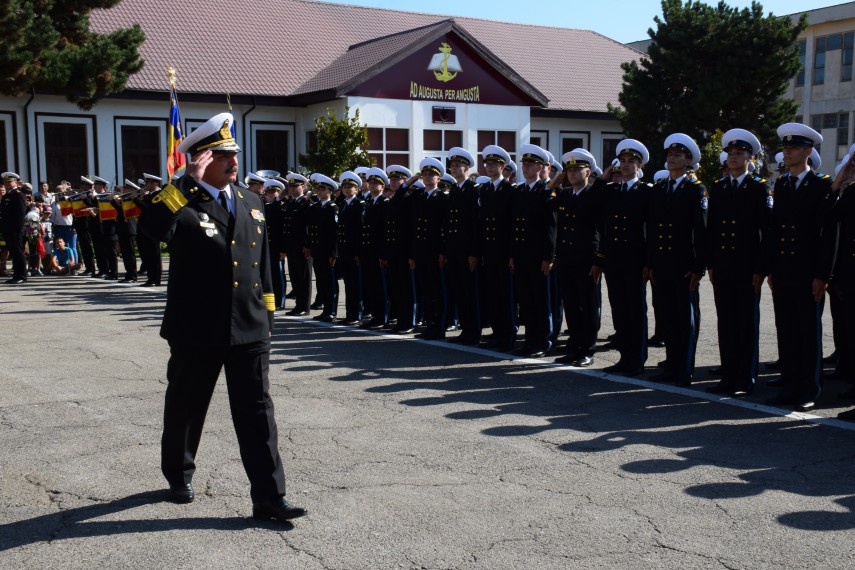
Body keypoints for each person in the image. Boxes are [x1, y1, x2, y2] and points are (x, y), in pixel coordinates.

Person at [137, 112, 305, 521]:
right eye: (223, 154)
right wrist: (183, 184)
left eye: (234, 153)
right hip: (197, 327)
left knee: (258, 411)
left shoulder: (252, 200)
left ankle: (269, 495)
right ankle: (178, 474)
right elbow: (152, 229)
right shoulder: (181, 200)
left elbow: (262, 265)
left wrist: (268, 314)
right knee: (187, 405)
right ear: (202, 159)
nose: (233, 161)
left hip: (249, 326)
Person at [763, 123, 836, 412]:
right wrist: (770, 267)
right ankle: (790, 385)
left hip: (808, 273)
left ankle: (809, 389)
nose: (787, 152)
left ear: (808, 152)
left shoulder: (820, 185)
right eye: (785, 147)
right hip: (783, 271)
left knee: (808, 333)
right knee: (787, 331)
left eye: (792, 148)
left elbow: (826, 235)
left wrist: (822, 274)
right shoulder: (782, 184)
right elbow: (774, 230)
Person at [705, 129, 771, 396]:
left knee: (746, 324)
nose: (733, 158)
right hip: (723, 267)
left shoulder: (758, 187)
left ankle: (746, 378)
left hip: (746, 268)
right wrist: (711, 263)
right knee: (726, 323)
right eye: (730, 154)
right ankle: (728, 375)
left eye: (739, 154)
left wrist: (760, 268)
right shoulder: (720, 187)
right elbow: (712, 229)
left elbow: (765, 232)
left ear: (749, 158)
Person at [646, 133, 707, 387]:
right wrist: (650, 263)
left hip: (683, 267)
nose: (672, 158)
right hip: (662, 265)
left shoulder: (696, 190)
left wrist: (698, 267)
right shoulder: (660, 188)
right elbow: (652, 229)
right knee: (668, 319)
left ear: (688, 161)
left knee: (685, 320)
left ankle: (684, 369)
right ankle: (671, 365)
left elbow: (701, 231)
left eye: (678, 155)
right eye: (670, 155)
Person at [594, 139, 651, 376]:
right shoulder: (610, 190)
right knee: (619, 310)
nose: (626, 166)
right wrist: (604, 176)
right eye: (623, 161)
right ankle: (625, 357)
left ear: (639, 166)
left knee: (635, 310)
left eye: (632, 162)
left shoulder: (647, 191)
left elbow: (650, 230)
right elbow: (592, 201)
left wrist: (649, 261)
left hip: (635, 261)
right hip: (614, 260)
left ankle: (637, 359)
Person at [552, 149, 603, 367]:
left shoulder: (594, 194)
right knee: (571, 305)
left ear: (588, 172)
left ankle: (587, 349)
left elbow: (602, 229)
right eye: (569, 170)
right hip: (566, 259)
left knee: (588, 306)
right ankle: (574, 346)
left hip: (586, 260)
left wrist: (598, 260)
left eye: (577, 169)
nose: (572, 174)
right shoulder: (563, 194)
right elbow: (542, 202)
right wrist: (556, 180)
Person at [509, 144, 557, 358]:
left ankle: (543, 341)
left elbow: (550, 226)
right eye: (524, 164)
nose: (526, 168)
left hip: (539, 257)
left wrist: (549, 256)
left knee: (540, 301)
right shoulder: (519, 190)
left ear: (540, 167)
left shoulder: (546, 190)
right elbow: (513, 224)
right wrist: (512, 254)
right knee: (526, 302)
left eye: (530, 164)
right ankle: (530, 340)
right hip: (521, 255)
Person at [478, 145, 516, 351]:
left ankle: (508, 335)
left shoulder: (509, 190)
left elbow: (511, 223)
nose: (490, 167)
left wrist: (511, 253)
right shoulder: (484, 189)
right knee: (493, 295)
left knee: (505, 296)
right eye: (487, 164)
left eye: (494, 164)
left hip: (503, 251)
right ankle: (497, 332)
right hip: (489, 251)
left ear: (503, 167)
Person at [444, 147, 482, 345]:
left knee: (470, 293)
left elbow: (476, 225)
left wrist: (475, 252)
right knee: (459, 291)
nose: (454, 168)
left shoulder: (473, 190)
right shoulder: (454, 191)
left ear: (467, 168)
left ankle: (474, 332)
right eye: (452, 166)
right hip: (455, 251)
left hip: (468, 252)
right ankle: (466, 330)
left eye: (458, 165)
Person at [409, 157, 449, 340]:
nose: (427, 177)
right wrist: (410, 181)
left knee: (437, 291)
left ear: (438, 178)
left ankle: (439, 326)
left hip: (435, 251)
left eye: (431, 174)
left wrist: (443, 251)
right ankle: (430, 325)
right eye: (424, 174)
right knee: (426, 290)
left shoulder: (442, 198)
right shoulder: (418, 196)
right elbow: (399, 200)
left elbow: (445, 227)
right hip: (421, 251)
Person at [304, 173, 339, 322]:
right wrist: (308, 246)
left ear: (330, 191)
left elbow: (335, 233)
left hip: (327, 251)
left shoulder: (333, 208)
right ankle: (325, 309)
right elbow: (310, 228)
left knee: (330, 281)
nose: (320, 191)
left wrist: (334, 253)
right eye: (318, 188)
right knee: (321, 280)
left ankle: (331, 310)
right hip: (317, 250)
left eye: (323, 189)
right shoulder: (316, 207)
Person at [337, 171, 365, 325]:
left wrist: (357, 252)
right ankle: (350, 313)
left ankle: (356, 315)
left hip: (353, 252)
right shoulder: (343, 205)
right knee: (348, 284)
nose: (347, 189)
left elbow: (359, 231)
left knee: (355, 284)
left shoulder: (359, 205)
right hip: (344, 251)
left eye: (351, 187)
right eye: (345, 187)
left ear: (357, 189)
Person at [283, 173, 312, 316]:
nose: (292, 189)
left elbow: (308, 226)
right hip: (291, 246)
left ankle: (304, 306)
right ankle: (298, 305)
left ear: (304, 187)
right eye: (290, 186)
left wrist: (307, 245)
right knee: (294, 277)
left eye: (295, 186)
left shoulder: (306, 203)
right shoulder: (290, 203)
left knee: (304, 277)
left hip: (302, 247)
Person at [0, 172, 28, 284]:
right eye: (6, 182)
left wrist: (18, 229)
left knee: (18, 252)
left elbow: (21, 214)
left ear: (15, 182)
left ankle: (22, 275)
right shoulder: (6, 196)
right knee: (13, 253)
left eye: (9, 182)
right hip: (8, 229)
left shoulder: (18, 195)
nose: (7, 184)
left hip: (15, 230)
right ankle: (16, 275)